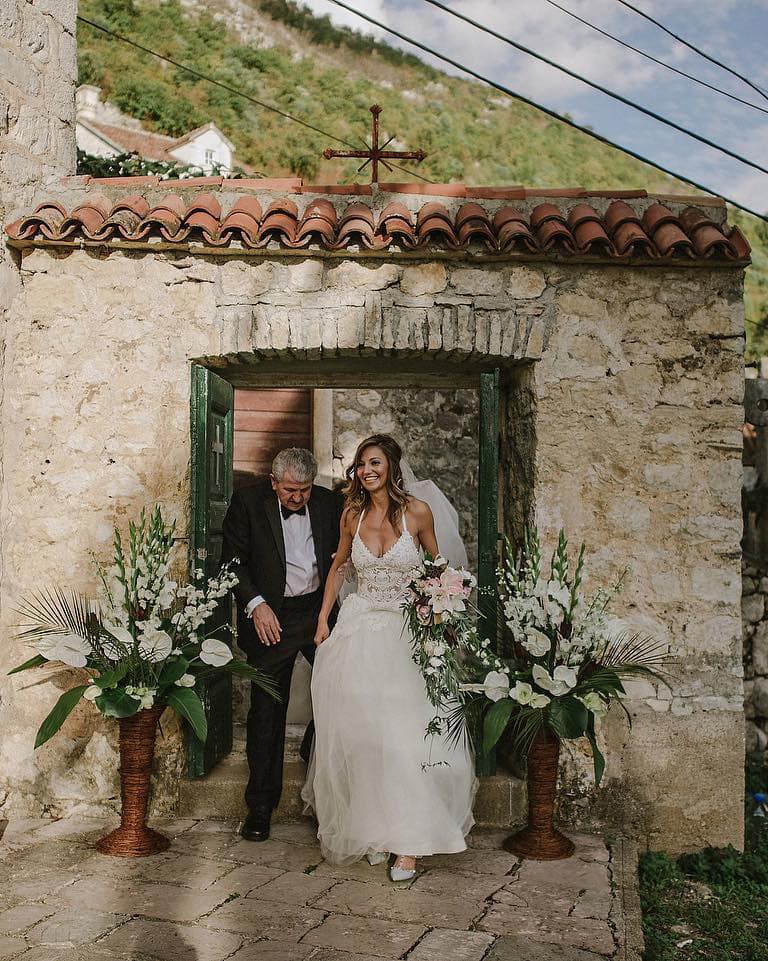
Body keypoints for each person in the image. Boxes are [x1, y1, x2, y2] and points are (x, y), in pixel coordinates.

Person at [301, 434, 476, 881]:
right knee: (366, 739)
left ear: (392, 466)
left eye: (374, 462)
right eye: (361, 464)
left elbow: (441, 569)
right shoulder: (352, 514)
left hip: (405, 636)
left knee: (405, 739)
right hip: (358, 633)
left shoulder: (418, 512)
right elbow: (339, 568)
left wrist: (442, 607)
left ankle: (410, 842)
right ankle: (378, 828)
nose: (366, 470)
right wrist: (323, 620)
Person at [221, 448, 343, 842]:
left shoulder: (329, 503)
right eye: (291, 490)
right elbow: (232, 562)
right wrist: (256, 605)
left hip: (319, 613)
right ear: (273, 482)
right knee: (266, 712)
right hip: (271, 616)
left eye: (305, 490)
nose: (298, 498)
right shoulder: (248, 502)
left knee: (342, 696)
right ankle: (259, 806)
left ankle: (316, 757)